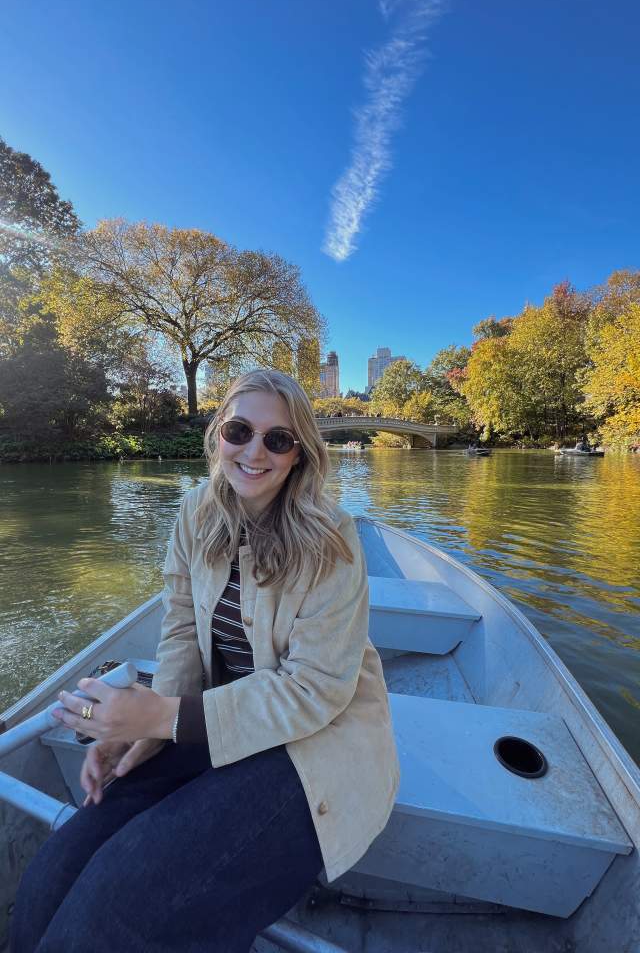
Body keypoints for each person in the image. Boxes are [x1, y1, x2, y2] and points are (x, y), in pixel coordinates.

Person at [11, 369, 399, 953]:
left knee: (117, 905)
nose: (254, 451)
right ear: (218, 433)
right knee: (55, 873)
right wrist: (144, 733)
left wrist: (163, 719)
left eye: (278, 439)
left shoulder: (332, 540)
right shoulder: (195, 513)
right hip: (213, 722)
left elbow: (316, 689)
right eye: (240, 430)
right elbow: (180, 632)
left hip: (313, 748)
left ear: (299, 455)